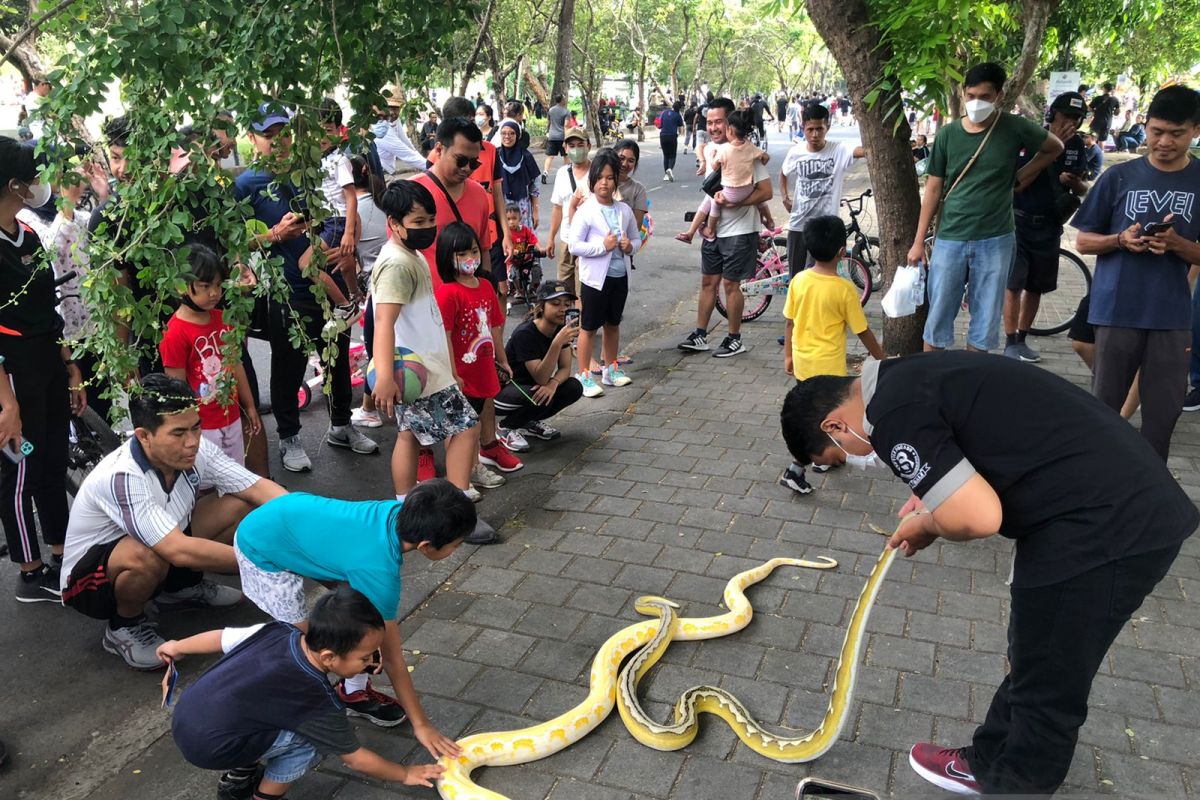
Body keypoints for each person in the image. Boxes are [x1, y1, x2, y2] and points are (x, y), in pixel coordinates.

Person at [780, 351, 1197, 796]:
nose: (855, 459)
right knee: (1037, 650)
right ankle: (987, 758)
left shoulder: (892, 415)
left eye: (839, 456)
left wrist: (930, 523)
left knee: (1052, 677)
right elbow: (977, 444)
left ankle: (1019, 783)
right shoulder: (905, 377)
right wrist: (935, 495)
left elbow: (979, 517)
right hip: (1107, 500)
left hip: (1106, 525)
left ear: (835, 426)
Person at [60, 374, 285, 669]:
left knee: (241, 505)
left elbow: (256, 487)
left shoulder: (196, 449)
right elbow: (176, 549)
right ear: (143, 436)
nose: (192, 442)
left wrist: (308, 519)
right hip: (89, 582)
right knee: (147, 553)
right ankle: (123, 626)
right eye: (178, 433)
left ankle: (179, 588)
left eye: (196, 427)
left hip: (165, 544)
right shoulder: (122, 476)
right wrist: (272, 562)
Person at [233, 481, 472, 737]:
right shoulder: (379, 571)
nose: (457, 549)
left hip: (293, 520)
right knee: (311, 642)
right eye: (456, 545)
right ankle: (285, 712)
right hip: (260, 547)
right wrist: (422, 725)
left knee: (363, 629)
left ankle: (353, 690)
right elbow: (393, 659)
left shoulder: (396, 514)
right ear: (425, 545)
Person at [160, 587, 446, 800]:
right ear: (330, 657)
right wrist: (405, 773)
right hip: (212, 747)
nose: (374, 663)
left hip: (187, 716)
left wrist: (177, 646)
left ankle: (242, 771)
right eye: (366, 657)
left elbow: (221, 637)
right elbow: (355, 758)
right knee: (309, 742)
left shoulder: (279, 631)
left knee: (264, 711)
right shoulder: (318, 699)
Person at [234, 102, 376, 473]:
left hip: (321, 281)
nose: (278, 142)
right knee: (288, 364)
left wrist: (335, 247)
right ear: (252, 139)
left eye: (284, 134)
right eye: (268, 136)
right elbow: (233, 243)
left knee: (338, 357)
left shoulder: (306, 173)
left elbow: (325, 219)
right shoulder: (245, 185)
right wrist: (275, 234)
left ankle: (342, 426)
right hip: (284, 291)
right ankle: (288, 437)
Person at [1074, 84, 1200, 460]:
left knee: (1162, 418)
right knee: (1104, 414)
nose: (1163, 142)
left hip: (1171, 317)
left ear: (1195, 130)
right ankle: (1101, 492)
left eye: (1176, 134)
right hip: (1115, 312)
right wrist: (1119, 240)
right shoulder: (1119, 177)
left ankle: (1149, 500)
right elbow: (1083, 241)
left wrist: (1178, 245)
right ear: (1145, 126)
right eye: (1156, 131)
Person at [906, 62, 1064, 353]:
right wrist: (918, 243)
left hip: (996, 239)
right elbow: (933, 188)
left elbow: (1054, 147)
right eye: (971, 95)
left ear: (999, 96)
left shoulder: (1013, 127)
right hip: (950, 237)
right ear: (963, 93)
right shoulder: (948, 135)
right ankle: (930, 385)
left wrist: (1023, 173)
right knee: (938, 317)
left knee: (985, 321)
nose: (976, 103)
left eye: (985, 97)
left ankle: (971, 386)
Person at [0, 138, 87, 603]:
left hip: (46, 363)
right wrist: (7, 404)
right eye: (34, 178)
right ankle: (30, 571)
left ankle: (60, 553)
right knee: (18, 472)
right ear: (14, 184)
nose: (41, 185)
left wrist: (69, 365)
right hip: (11, 375)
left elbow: (44, 308)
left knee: (53, 457)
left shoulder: (28, 234)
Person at [371, 180, 489, 517]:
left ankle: (404, 507)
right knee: (467, 427)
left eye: (430, 220)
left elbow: (430, 319)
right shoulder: (397, 264)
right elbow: (383, 322)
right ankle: (455, 509)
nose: (427, 228)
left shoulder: (412, 255)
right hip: (416, 371)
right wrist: (383, 376)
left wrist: (450, 368)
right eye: (418, 222)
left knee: (409, 434)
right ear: (394, 223)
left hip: (426, 369)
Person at [779, 216, 884, 495]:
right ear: (842, 252)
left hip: (803, 364)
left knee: (810, 417)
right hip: (829, 373)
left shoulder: (799, 280)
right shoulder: (845, 289)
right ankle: (799, 467)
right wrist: (882, 360)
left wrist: (787, 356)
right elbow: (862, 331)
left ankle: (819, 461)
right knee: (821, 422)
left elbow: (789, 322)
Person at [676, 97, 773, 358]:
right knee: (708, 282)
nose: (714, 127)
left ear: (730, 123)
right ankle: (700, 335)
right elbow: (710, 193)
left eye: (719, 122)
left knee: (731, 285)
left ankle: (734, 338)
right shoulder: (713, 152)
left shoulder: (747, 153)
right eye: (710, 122)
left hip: (740, 231)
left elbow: (766, 192)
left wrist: (733, 205)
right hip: (714, 232)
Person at [1000, 91, 1091, 363]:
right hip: (1018, 221)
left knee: (1036, 286)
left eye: (1077, 119)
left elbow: (1083, 188)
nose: (1070, 124)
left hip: (1050, 226)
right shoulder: (1030, 139)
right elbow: (1019, 183)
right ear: (1052, 115)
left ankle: (1022, 339)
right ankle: (1009, 341)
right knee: (1013, 285)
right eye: (1066, 117)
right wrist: (1051, 151)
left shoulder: (1078, 147)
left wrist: (1073, 182)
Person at [433, 222, 522, 486]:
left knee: (473, 423)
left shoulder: (485, 286)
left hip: (483, 368)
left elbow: (495, 327)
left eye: (473, 251)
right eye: (461, 254)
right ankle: (459, 479)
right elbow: (445, 336)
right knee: (459, 428)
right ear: (448, 257)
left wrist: (502, 360)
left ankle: (473, 468)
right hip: (460, 373)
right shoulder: (447, 293)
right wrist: (452, 372)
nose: (470, 259)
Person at [159, 243, 261, 468]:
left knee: (236, 474)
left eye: (218, 285)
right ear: (181, 287)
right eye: (205, 286)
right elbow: (176, 386)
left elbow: (236, 364)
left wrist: (250, 405)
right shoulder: (174, 332)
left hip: (232, 415)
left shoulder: (223, 318)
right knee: (206, 483)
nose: (214, 293)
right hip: (201, 426)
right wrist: (187, 429)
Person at [569, 150, 641, 397]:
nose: (605, 182)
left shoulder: (624, 210)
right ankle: (584, 376)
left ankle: (611, 369)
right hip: (594, 280)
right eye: (600, 177)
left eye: (610, 177)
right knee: (588, 327)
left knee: (613, 324)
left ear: (616, 180)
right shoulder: (586, 211)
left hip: (619, 278)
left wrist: (630, 247)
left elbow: (635, 237)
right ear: (592, 180)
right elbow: (574, 245)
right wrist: (603, 247)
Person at [779, 103, 866, 276]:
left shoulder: (838, 150)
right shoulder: (796, 152)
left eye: (820, 129)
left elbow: (860, 151)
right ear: (803, 128)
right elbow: (783, 173)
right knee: (795, 278)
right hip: (798, 224)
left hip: (824, 228)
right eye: (810, 129)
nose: (815, 134)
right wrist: (785, 198)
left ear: (828, 127)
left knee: (817, 276)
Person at [494, 281, 584, 442]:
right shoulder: (526, 333)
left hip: (532, 388)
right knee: (542, 396)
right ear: (541, 306)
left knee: (573, 387)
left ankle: (527, 422)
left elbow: (565, 368)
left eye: (567, 304)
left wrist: (553, 383)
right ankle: (506, 427)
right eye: (556, 304)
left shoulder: (560, 328)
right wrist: (557, 343)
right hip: (505, 391)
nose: (563, 309)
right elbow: (541, 378)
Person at [547, 128, 592, 300]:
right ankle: (569, 324)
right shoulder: (562, 173)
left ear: (589, 146)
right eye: (571, 145)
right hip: (567, 239)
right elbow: (557, 208)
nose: (576, 149)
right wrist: (551, 237)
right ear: (565, 148)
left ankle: (584, 326)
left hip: (589, 240)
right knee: (564, 289)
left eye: (580, 145)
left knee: (584, 290)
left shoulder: (597, 172)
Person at [496, 120, 541, 231]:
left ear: (517, 135)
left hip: (523, 207)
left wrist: (535, 211)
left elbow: (535, 185)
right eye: (504, 133)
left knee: (523, 237)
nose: (507, 136)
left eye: (512, 133)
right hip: (501, 204)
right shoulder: (495, 155)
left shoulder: (525, 156)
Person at [543, 95, 571, 182]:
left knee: (550, 156)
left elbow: (549, 123)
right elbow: (566, 126)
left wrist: (548, 132)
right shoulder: (566, 111)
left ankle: (545, 172)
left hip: (552, 136)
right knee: (566, 156)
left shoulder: (551, 110)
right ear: (562, 100)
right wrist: (566, 139)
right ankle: (565, 174)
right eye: (564, 99)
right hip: (562, 137)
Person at [1088, 81, 1121, 148]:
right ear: (1111, 90)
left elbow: (1089, 108)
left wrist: (1094, 111)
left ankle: (1091, 154)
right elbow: (1117, 112)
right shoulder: (1115, 100)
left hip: (1097, 121)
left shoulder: (1098, 98)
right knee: (1102, 140)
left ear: (1104, 89)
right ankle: (1100, 154)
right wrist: (1111, 110)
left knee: (1092, 138)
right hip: (1107, 122)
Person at [658, 100, 685, 182]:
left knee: (666, 155)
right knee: (672, 155)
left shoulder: (664, 112)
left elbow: (660, 124)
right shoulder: (677, 115)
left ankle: (666, 175)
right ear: (680, 108)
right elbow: (680, 125)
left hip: (663, 136)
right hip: (672, 136)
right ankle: (670, 169)